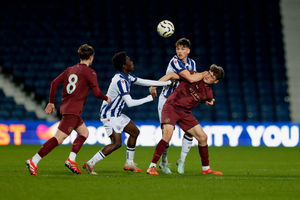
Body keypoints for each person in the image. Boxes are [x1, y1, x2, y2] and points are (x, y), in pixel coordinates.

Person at [26, 44, 111, 176]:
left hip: (68, 109)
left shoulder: (70, 69)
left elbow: (54, 83)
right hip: (73, 111)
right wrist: (107, 98)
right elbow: (96, 93)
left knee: (84, 133)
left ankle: (71, 160)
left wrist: (51, 102)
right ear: (90, 57)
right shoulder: (90, 72)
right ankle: (34, 160)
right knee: (58, 139)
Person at [82, 51, 173, 175]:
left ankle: (129, 163)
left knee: (135, 132)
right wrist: (149, 98)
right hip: (109, 115)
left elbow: (143, 81)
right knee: (116, 143)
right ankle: (90, 163)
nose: (132, 62)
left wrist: (165, 83)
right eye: (129, 60)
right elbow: (130, 103)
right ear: (124, 65)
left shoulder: (127, 76)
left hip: (117, 114)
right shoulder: (120, 81)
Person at [147, 64, 224, 175]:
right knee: (167, 135)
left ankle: (206, 169)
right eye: (209, 73)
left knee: (203, 137)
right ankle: (152, 167)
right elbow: (171, 75)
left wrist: (209, 102)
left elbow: (208, 100)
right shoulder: (193, 74)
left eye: (212, 77)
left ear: (216, 81)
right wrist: (155, 85)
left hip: (185, 113)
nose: (208, 76)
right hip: (171, 107)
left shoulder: (209, 93)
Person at [150, 38, 212, 174]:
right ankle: (163, 162)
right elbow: (190, 78)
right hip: (167, 100)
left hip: (182, 102)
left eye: (183, 49)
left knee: (190, 132)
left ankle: (182, 161)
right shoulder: (175, 61)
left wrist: (204, 98)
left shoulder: (192, 63)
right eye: (178, 49)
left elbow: (194, 84)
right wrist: (203, 74)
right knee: (166, 133)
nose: (180, 51)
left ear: (188, 51)